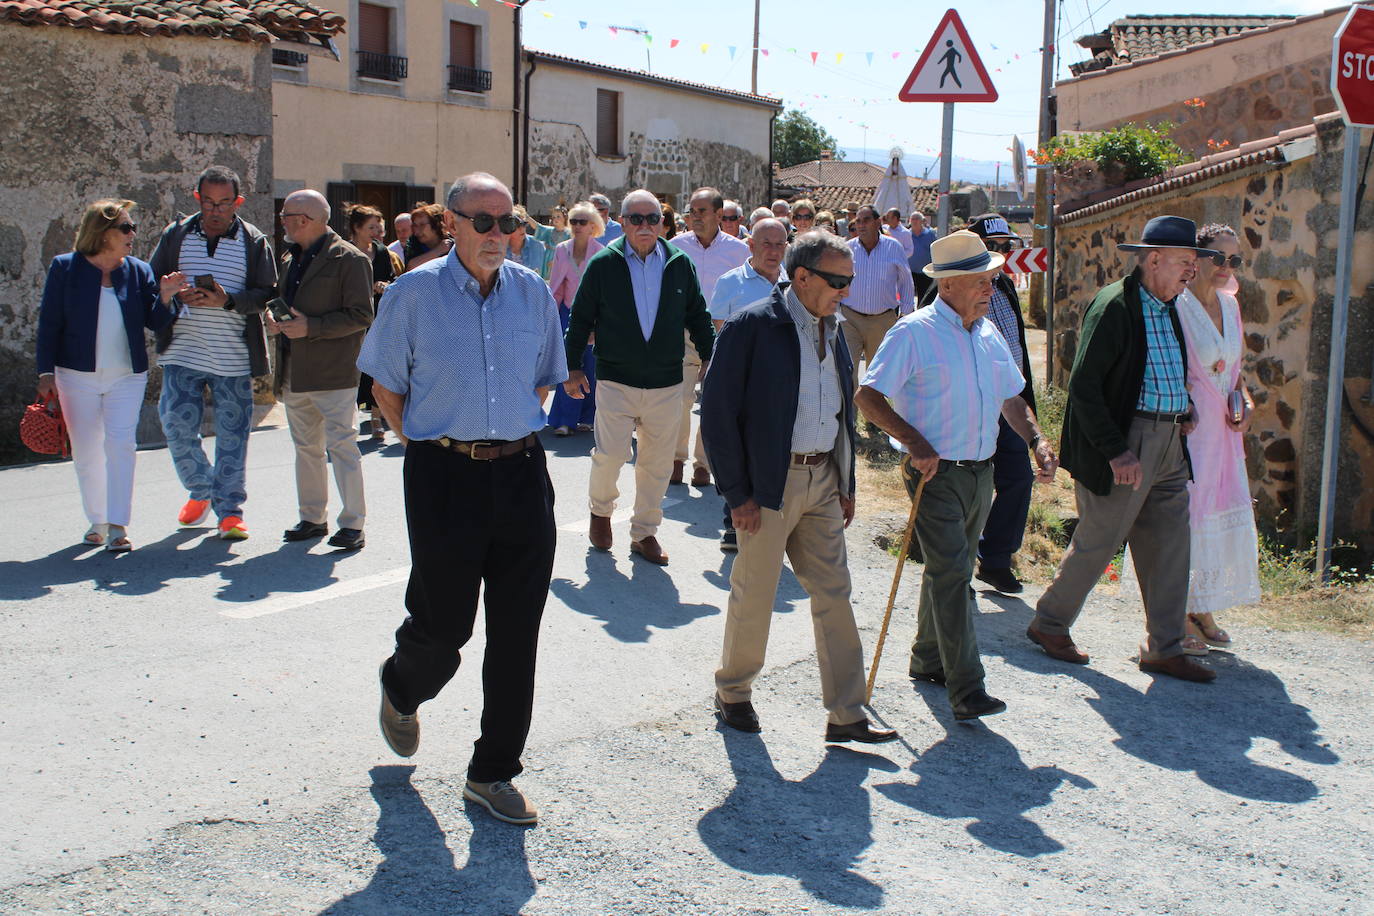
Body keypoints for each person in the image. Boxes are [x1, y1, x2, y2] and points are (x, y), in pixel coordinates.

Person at [359, 171, 566, 827]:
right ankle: (402, 685)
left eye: (509, 223)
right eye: (484, 221)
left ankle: (493, 772)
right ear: (451, 223)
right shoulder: (413, 294)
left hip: (522, 475)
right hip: (443, 476)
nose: (498, 235)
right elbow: (385, 391)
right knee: (444, 627)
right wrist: (435, 448)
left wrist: (502, 436)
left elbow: (543, 382)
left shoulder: (532, 294)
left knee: (517, 634)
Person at [703, 231, 897, 744]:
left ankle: (848, 712)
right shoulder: (751, 326)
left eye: (850, 281)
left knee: (834, 592)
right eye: (838, 281)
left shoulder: (836, 328)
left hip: (823, 481)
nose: (846, 292)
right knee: (756, 593)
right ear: (803, 276)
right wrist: (737, 495)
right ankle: (734, 691)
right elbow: (718, 416)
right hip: (769, 484)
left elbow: (840, 407)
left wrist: (846, 478)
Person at [856, 230, 1057, 721]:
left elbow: (1012, 396)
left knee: (952, 569)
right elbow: (868, 396)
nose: (992, 287)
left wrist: (1036, 440)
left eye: (992, 277)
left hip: (980, 471)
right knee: (952, 575)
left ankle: (927, 659)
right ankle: (967, 688)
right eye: (981, 279)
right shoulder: (913, 332)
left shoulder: (987, 333)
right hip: (934, 472)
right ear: (948, 285)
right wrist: (916, 443)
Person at [1027, 215, 1219, 683]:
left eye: (1195, 262)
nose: (1192, 271)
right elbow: (1086, 387)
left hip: (1170, 442)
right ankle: (1049, 624)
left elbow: (1164, 369)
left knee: (1171, 546)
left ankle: (1164, 648)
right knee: (1100, 541)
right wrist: (1116, 450)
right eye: (1185, 261)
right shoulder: (1115, 305)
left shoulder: (1170, 305)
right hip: (1127, 442)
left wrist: (1186, 406)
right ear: (1153, 259)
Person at [563, 189, 715, 566]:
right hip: (616, 379)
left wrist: (714, 356)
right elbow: (579, 318)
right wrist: (571, 366)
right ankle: (601, 512)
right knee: (611, 455)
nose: (644, 226)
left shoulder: (680, 264)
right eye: (635, 219)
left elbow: (697, 314)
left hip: (666, 382)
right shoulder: (603, 264)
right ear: (623, 222)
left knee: (656, 463)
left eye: (652, 219)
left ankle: (644, 532)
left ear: (663, 223)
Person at [35, 199, 180, 552]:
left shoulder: (138, 270)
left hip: (126, 376)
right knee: (85, 452)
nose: (133, 234)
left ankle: (118, 524)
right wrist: (45, 372)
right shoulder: (65, 268)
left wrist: (165, 297)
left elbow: (156, 322)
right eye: (126, 228)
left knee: (121, 446)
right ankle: (97, 520)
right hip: (74, 375)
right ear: (102, 233)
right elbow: (49, 323)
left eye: (132, 228)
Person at [149, 165, 277, 541]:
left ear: (237, 202)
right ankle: (202, 487)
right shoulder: (176, 235)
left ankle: (229, 512)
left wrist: (227, 300)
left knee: (233, 436)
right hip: (183, 352)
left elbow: (266, 293)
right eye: (208, 203)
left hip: (232, 357)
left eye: (223, 203)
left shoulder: (254, 242)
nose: (215, 211)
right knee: (174, 423)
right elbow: (151, 282)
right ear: (197, 199)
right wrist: (170, 293)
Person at [267, 189, 373, 551]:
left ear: (305, 219)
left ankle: (353, 523)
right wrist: (276, 318)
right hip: (294, 369)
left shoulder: (350, 259)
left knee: (342, 446)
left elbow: (361, 316)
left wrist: (311, 326)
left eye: (286, 215)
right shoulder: (289, 256)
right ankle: (312, 518)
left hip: (333, 371)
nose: (282, 221)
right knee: (306, 448)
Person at [1173, 223, 1258, 651]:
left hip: (1224, 433)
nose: (1227, 268)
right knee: (1187, 515)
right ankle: (1175, 612)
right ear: (1197, 258)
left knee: (1216, 512)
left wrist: (1244, 399)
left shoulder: (1231, 305)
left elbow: (1236, 369)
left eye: (1234, 260)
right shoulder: (1178, 305)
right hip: (1188, 431)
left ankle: (1202, 606)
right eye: (1218, 258)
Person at [952, 214, 1039, 595]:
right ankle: (956, 567)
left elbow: (1017, 348)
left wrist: (1029, 405)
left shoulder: (1003, 286)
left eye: (1007, 247)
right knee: (966, 487)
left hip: (1010, 403)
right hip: (970, 406)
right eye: (996, 246)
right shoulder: (951, 289)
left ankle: (996, 560)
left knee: (1018, 477)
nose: (1004, 254)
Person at [706, 217, 789, 552]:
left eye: (779, 244)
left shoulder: (792, 284)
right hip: (740, 379)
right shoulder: (731, 282)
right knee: (736, 447)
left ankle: (771, 518)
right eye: (766, 243)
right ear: (751, 246)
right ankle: (733, 519)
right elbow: (721, 328)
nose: (773, 251)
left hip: (780, 382)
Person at [670, 187, 749, 488]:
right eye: (691, 211)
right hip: (683, 333)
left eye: (702, 211)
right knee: (680, 397)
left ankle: (703, 464)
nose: (695, 217)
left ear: (719, 215)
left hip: (722, 333)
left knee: (714, 402)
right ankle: (676, 458)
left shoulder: (739, 251)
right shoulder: (675, 247)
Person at [545, 200, 604, 436]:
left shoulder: (601, 252)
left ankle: (587, 417)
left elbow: (603, 292)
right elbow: (557, 287)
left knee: (590, 367)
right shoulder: (562, 250)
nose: (577, 226)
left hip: (593, 315)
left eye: (583, 222)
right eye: (574, 221)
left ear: (593, 226)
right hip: (566, 313)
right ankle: (563, 419)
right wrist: (550, 317)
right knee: (566, 366)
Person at [839, 205, 915, 385]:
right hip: (850, 318)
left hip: (882, 320)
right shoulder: (847, 249)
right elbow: (838, 281)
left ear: (878, 222)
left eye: (866, 220)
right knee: (848, 371)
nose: (861, 225)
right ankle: (849, 413)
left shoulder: (894, 247)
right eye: (858, 221)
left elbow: (906, 282)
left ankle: (873, 413)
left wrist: (905, 315)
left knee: (877, 376)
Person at [344, 203, 398, 442]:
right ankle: (348, 420)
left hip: (378, 317)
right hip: (352, 319)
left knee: (378, 368)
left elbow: (392, 279)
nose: (377, 231)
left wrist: (385, 286)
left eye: (379, 227)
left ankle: (377, 418)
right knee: (353, 370)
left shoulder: (382, 252)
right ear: (356, 228)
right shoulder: (344, 252)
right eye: (371, 227)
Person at [404, 203, 451, 271]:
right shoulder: (413, 243)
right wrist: (438, 251)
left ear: (436, 224)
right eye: (415, 225)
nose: (417, 231)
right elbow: (411, 267)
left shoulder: (452, 243)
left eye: (422, 225)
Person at [530, 204, 569, 280]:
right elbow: (538, 227)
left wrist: (558, 262)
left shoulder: (569, 233)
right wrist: (527, 218)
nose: (555, 219)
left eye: (558, 216)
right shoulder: (549, 231)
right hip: (548, 259)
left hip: (562, 260)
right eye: (553, 217)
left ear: (565, 218)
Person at [505, 206, 547, 275]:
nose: (522, 229)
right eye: (517, 225)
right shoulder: (500, 247)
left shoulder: (538, 246)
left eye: (524, 224)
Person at [908, 210, 938, 301]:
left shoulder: (930, 234)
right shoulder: (906, 235)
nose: (914, 221)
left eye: (917, 219)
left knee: (923, 296)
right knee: (908, 296)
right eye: (913, 219)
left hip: (925, 272)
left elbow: (935, 250)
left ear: (922, 221)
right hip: (910, 272)